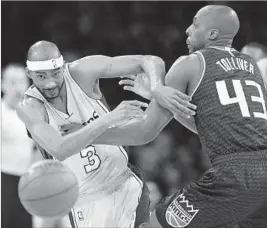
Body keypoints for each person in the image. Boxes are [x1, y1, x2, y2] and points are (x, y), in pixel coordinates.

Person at [89, 5, 267, 228]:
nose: (187, 29)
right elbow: (217, 127)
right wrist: (162, 101)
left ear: (212, 34)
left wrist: (88, 134)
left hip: (234, 175)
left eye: (195, 24)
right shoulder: (251, 66)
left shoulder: (190, 63)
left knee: (153, 225)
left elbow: (143, 132)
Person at [16, 41, 196, 228]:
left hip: (123, 183)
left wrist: (157, 88)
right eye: (41, 76)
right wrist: (108, 119)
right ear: (29, 74)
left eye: (55, 73)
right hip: (83, 201)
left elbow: (149, 61)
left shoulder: (82, 71)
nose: (50, 82)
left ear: (63, 66)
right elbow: (60, 149)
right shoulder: (29, 107)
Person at [1, 64, 36, 228]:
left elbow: (36, 150)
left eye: (21, 82)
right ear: (2, 84)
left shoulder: (31, 114)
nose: (17, 88)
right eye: (12, 82)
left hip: (25, 183)